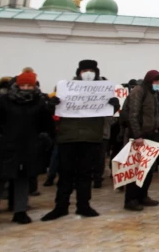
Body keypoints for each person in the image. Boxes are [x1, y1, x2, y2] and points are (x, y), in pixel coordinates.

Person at [43, 60, 119, 221]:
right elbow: (52, 113)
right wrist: (51, 105)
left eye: (91, 70)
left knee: (85, 174)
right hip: (68, 137)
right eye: (85, 70)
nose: (88, 73)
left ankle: (83, 205)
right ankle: (61, 206)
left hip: (91, 137)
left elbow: (109, 113)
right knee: (65, 174)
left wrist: (114, 105)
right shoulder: (68, 89)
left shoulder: (102, 89)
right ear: (79, 72)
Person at [0, 68, 53, 224]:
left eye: (29, 86)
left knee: (22, 180)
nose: (26, 88)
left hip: (29, 147)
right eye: (23, 85)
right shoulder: (3, 101)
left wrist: (44, 137)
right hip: (5, 146)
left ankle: (20, 211)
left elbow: (46, 124)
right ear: (18, 85)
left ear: (34, 86)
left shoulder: (39, 102)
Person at [123, 70, 159, 211]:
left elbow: (154, 115)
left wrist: (158, 129)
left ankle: (143, 195)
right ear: (149, 80)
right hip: (139, 137)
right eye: (155, 81)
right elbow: (133, 115)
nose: (157, 84)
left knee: (148, 169)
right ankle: (131, 199)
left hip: (151, 136)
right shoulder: (139, 91)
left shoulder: (153, 94)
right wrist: (137, 135)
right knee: (136, 169)